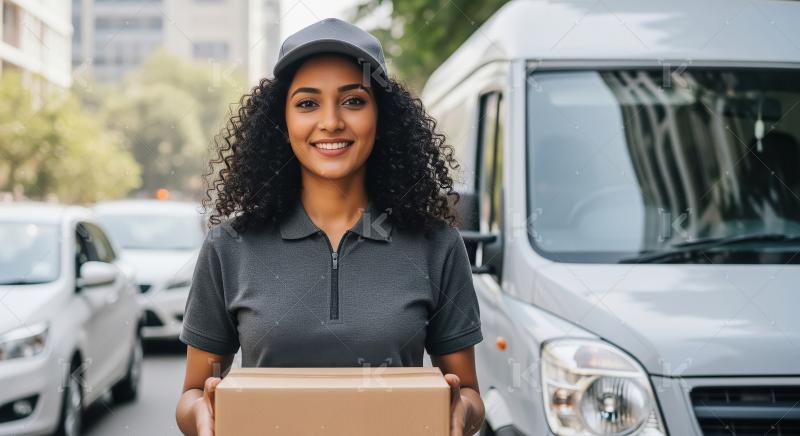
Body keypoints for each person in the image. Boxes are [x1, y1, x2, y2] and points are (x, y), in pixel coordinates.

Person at [175, 17, 485, 436]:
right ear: (282, 124)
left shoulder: (436, 244)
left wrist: (459, 412)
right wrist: (203, 415)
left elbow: (469, 394)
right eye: (307, 103)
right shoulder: (229, 246)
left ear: (382, 117)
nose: (331, 122)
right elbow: (192, 393)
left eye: (353, 100)